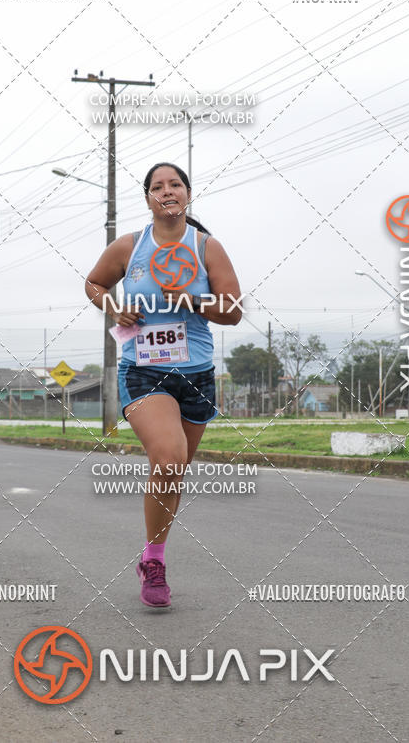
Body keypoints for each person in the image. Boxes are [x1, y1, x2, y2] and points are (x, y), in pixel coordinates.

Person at [85, 162, 242, 608]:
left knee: (174, 472)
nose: (167, 191)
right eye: (158, 186)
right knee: (169, 458)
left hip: (196, 374)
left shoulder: (206, 247)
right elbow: (94, 283)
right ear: (149, 198)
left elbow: (232, 310)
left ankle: (150, 551)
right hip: (142, 368)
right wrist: (114, 307)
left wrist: (192, 299)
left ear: (188, 195)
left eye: (175, 184)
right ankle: (155, 563)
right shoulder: (129, 247)